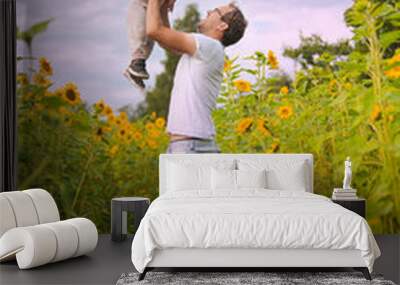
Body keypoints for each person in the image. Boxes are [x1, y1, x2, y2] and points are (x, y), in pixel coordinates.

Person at [146, 0, 247, 153]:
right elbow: (165, 40)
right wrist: (164, 7)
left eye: (215, 11)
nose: (208, 12)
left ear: (222, 26)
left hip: (191, 145)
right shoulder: (208, 50)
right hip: (189, 144)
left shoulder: (209, 46)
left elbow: (154, 30)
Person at [125, 0, 176, 89]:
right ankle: (137, 61)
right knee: (142, 32)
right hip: (141, 5)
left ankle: (138, 64)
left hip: (158, 7)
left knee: (153, 36)